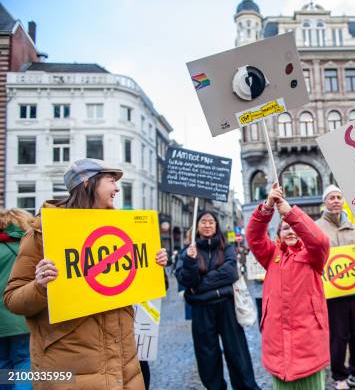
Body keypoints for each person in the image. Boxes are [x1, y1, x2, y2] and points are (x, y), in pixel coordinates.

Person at [3, 158, 168, 389]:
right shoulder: (42, 234)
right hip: (71, 372)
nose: (117, 188)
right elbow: (13, 300)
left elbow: (148, 288)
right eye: (111, 180)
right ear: (87, 183)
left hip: (124, 369)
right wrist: (40, 286)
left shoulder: (124, 230)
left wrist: (155, 265)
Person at [246, 183, 330, 389]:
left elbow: (319, 241)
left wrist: (290, 214)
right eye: (285, 228)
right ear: (278, 235)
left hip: (307, 342)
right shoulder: (271, 255)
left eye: (293, 227)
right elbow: (254, 237)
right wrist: (267, 207)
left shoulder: (313, 256)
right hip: (277, 344)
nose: (290, 231)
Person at [175, 210, 260, 390]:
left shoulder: (226, 247)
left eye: (211, 222)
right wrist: (190, 262)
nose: (207, 225)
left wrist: (199, 286)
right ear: (197, 227)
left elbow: (230, 273)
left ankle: (246, 387)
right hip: (202, 310)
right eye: (203, 222)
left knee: (237, 352)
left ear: (216, 226)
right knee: (207, 355)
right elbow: (185, 280)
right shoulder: (188, 252)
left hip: (227, 307)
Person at [315, 185, 355, 390]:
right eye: (331, 197)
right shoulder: (317, 227)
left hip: (354, 289)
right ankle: (339, 375)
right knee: (338, 335)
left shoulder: (352, 226)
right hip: (332, 293)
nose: (335, 200)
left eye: (339, 197)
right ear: (325, 202)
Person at [0, 208, 33, 390]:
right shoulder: (27, 247)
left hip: (1, 323)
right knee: (23, 362)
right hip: (21, 318)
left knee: (3, 363)